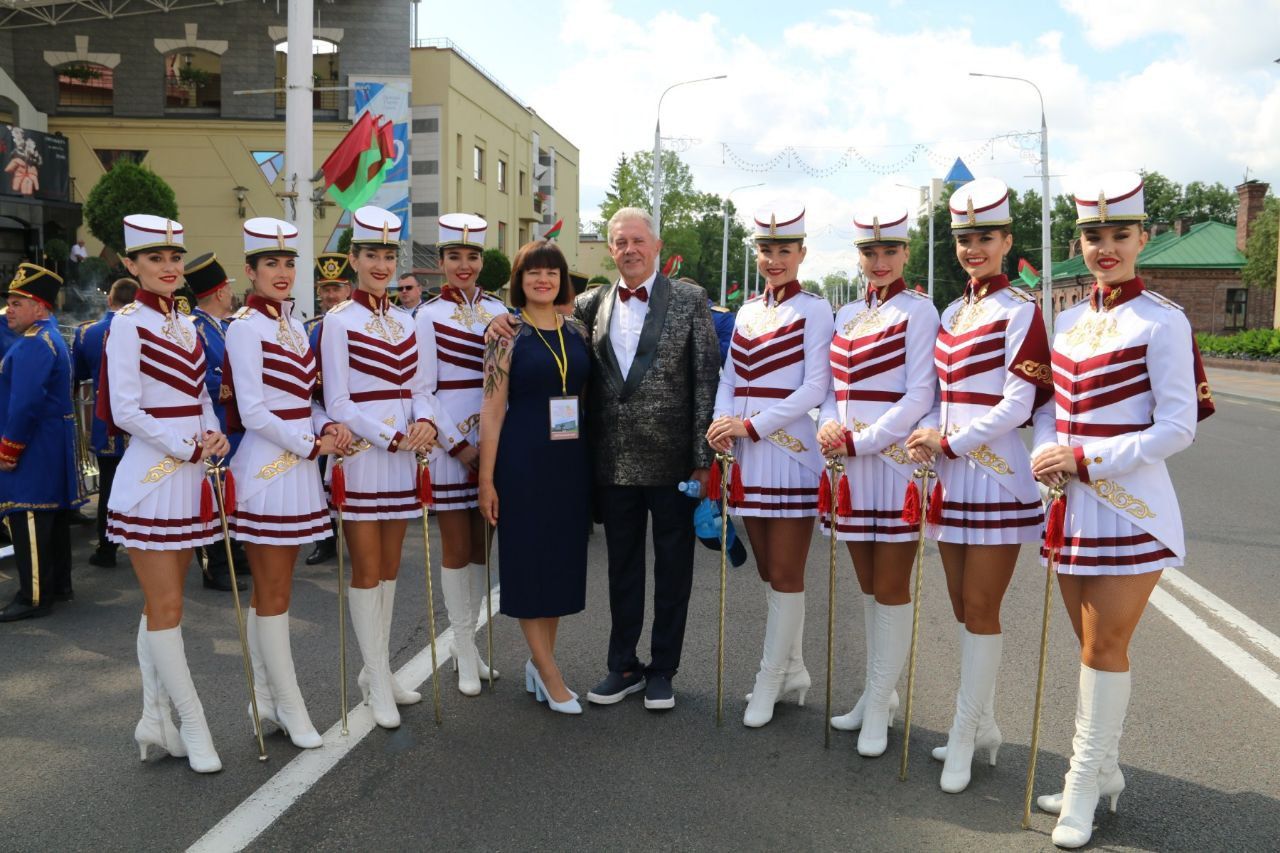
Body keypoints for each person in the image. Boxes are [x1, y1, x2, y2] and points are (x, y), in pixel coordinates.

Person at [1029, 173, 1214, 848]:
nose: (1105, 248)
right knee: (1086, 645)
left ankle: (1082, 784)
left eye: (1118, 235)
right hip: (1073, 509)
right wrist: (1046, 452)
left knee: (1107, 644)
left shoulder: (1164, 319)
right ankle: (1102, 772)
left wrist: (1087, 460)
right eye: (1093, 235)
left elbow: (1178, 426)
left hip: (1131, 508)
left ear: (1143, 237)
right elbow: (1049, 408)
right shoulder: (1070, 319)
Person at [486, 207, 720, 711]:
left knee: (674, 570)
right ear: (610, 250)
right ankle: (623, 665)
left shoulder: (690, 298)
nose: (630, 250)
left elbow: (706, 380)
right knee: (622, 569)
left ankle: (663, 669)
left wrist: (704, 458)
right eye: (620, 242)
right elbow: (540, 329)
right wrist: (500, 319)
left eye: (638, 240)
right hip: (609, 463)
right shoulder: (590, 304)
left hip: (675, 462)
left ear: (657, 246)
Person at [904, 177, 1052, 793]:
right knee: (963, 607)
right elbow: (939, 395)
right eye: (964, 238)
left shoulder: (1020, 310)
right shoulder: (951, 310)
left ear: (1006, 240)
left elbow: (1020, 402)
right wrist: (926, 438)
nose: (972, 248)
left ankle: (964, 735)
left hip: (994, 477)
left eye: (984, 237)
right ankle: (984, 724)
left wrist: (952, 442)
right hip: (950, 478)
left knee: (984, 609)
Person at [102, 214, 231, 773]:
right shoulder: (127, 323)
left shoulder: (186, 323)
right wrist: (185, 445)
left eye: (174, 258)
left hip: (190, 474)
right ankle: (192, 724)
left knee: (163, 606)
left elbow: (199, 394)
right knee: (169, 607)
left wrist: (212, 429)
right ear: (132, 266)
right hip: (153, 479)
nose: (169, 267)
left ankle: (153, 719)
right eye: (155, 259)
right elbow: (126, 409)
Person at [224, 217, 352, 749]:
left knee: (274, 592)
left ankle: (269, 702)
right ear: (250, 271)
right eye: (270, 264)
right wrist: (309, 444)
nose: (282, 272)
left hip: (298, 465)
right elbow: (252, 411)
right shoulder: (244, 327)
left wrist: (326, 426)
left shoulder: (296, 325)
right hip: (269, 469)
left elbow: (307, 399)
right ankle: (290, 705)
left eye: (287, 263)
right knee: (272, 591)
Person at [816, 207, 939, 754]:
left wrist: (860, 441)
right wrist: (827, 426)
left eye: (890, 251)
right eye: (870, 252)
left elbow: (920, 394)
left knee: (891, 589)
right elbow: (830, 391)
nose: (880, 261)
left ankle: (880, 706)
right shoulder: (845, 316)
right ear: (858, 257)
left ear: (906, 254)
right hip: (849, 467)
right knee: (867, 588)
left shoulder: (920, 312)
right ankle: (877, 696)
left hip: (891, 466)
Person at [705, 204, 833, 728]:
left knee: (785, 572)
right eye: (766, 250)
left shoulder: (816, 309)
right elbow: (730, 376)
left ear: (802, 254)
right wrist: (720, 423)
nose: (774, 259)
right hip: (746, 453)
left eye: (785, 250)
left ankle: (767, 677)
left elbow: (815, 385)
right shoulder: (748, 312)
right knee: (766, 569)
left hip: (791, 453)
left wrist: (751, 425)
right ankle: (793, 669)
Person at [319, 205, 438, 730]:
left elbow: (420, 390)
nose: (382, 264)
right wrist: (390, 435)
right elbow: (338, 401)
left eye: (389, 255)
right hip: (366, 457)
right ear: (354, 260)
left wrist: (426, 424)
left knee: (390, 569)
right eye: (371, 254)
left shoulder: (409, 320)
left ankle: (379, 673)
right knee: (366, 570)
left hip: (403, 458)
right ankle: (373, 675)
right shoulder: (337, 321)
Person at [478, 239, 590, 714]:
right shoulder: (505, 334)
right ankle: (549, 673)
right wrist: (487, 480)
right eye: (532, 273)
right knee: (529, 564)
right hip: (522, 459)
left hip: (570, 461)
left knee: (560, 565)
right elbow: (492, 408)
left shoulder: (579, 331)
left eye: (551, 272)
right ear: (519, 281)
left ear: (561, 279)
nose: (542, 279)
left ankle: (539, 663)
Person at [416, 213, 507, 695]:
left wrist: (490, 444)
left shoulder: (499, 309)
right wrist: (457, 444)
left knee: (481, 548)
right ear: (443, 261)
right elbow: (422, 390)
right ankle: (465, 653)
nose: (465, 265)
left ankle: (465, 646)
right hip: (452, 444)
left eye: (473, 256)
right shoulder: (426, 315)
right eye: (455, 256)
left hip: (496, 438)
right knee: (455, 548)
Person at [0, 263, 83, 621]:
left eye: (18, 302)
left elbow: (26, 403)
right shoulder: (47, 336)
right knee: (52, 518)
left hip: (33, 444)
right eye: (9, 302)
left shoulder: (34, 343)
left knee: (29, 515)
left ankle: (33, 596)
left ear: (40, 307)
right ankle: (58, 584)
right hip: (50, 440)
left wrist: (9, 447)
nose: (9, 310)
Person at [185, 253, 247, 593]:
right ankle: (213, 566)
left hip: (230, 425)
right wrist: (236, 381)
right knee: (212, 496)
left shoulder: (223, 326)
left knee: (228, 494)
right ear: (221, 292)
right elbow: (199, 379)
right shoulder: (193, 328)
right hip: (212, 423)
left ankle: (234, 556)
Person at [73, 277, 138, 569]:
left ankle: (106, 547)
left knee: (109, 487)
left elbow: (79, 374)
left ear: (110, 301)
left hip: (105, 421)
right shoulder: (146, 330)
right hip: (143, 424)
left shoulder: (87, 333)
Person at [303, 252, 353, 566]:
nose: (331, 295)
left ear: (349, 288)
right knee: (320, 481)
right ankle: (326, 540)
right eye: (325, 289)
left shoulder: (359, 323)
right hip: (320, 415)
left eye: (337, 287)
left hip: (354, 414)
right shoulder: (308, 329)